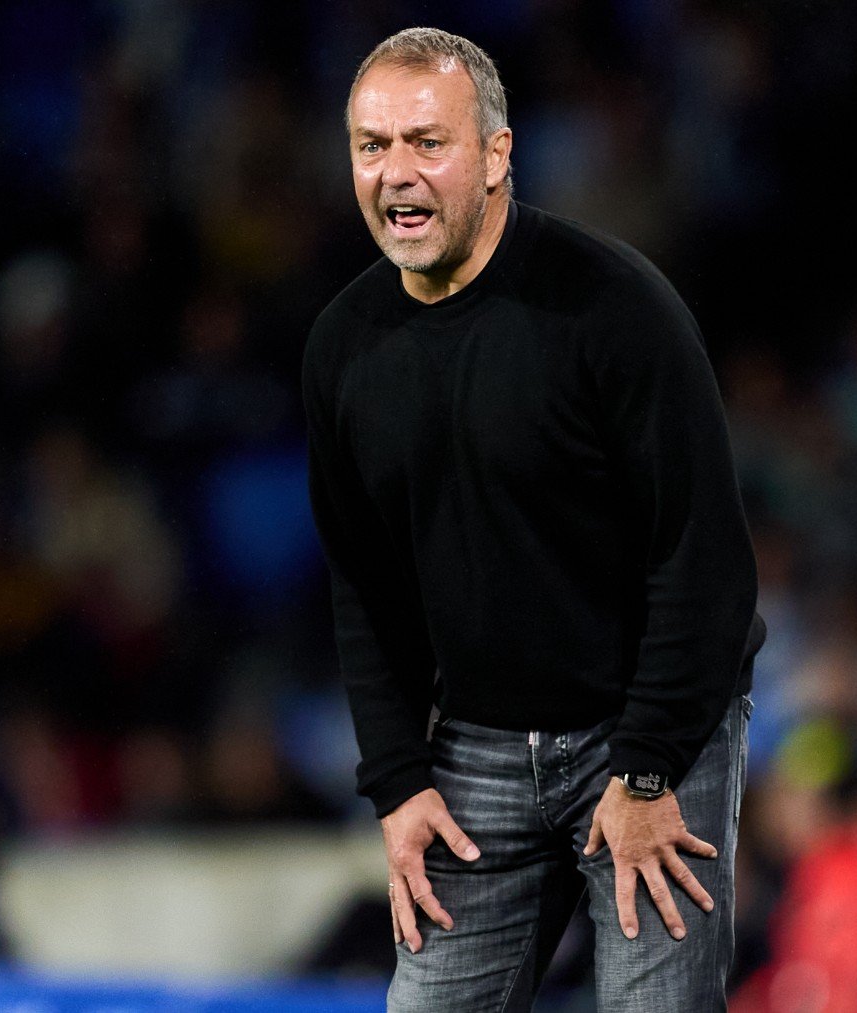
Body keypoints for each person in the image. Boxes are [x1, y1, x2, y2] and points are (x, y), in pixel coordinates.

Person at [304, 28, 766, 1011]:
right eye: (372, 145)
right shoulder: (344, 346)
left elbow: (707, 565)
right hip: (473, 746)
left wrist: (644, 770)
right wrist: (396, 780)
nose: (396, 174)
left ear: (500, 153)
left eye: (428, 142)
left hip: (645, 729)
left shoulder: (616, 310)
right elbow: (363, 581)